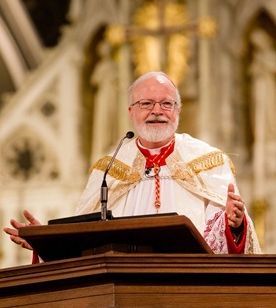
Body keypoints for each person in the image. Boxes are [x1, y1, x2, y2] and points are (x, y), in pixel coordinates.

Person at [3, 71, 261, 257]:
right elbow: (85, 241)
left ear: (178, 111)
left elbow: (229, 245)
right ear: (131, 112)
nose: (156, 110)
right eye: (146, 104)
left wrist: (233, 225)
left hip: (189, 291)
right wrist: (47, 242)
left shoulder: (208, 162)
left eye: (166, 104)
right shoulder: (109, 170)